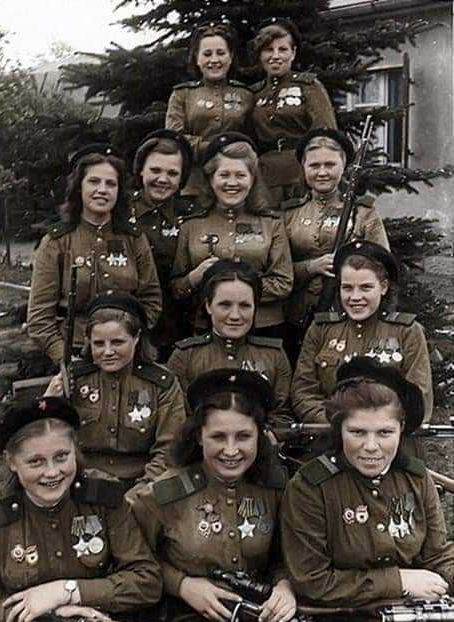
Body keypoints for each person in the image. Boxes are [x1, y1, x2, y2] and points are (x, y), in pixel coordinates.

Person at [127, 369, 310, 622]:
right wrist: (182, 585)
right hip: (185, 615)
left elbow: (286, 556)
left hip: (256, 611)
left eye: (243, 436)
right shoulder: (163, 495)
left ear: (260, 436)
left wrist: (285, 586)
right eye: (218, 437)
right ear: (198, 436)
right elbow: (130, 561)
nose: (231, 450)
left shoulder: (275, 488)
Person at [282, 357, 454, 622]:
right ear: (338, 429)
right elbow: (312, 581)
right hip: (347, 618)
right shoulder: (312, 487)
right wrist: (399, 581)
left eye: (385, 433)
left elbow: (438, 554)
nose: (372, 447)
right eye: (357, 433)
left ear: (402, 430)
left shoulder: (416, 477)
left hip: (414, 612)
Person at [0, 396, 162, 622]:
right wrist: (53, 612)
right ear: (11, 461)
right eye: (35, 462)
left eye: (62, 457)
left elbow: (147, 579)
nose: (52, 472)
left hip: (98, 621)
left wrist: (68, 593)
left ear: (76, 451)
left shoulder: (104, 497)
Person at [27, 145, 162, 364]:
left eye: (111, 184)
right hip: (75, 353)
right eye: (94, 181)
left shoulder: (134, 239)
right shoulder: (56, 242)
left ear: (119, 191)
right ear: (79, 187)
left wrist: (129, 342)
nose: (103, 189)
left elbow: (151, 300)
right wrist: (65, 358)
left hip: (129, 354)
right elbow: (39, 318)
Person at [44, 292, 186, 483]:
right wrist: (50, 401)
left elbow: (169, 449)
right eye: (99, 344)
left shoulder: (161, 384)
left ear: (136, 338)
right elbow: (51, 440)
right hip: (81, 480)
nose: (108, 352)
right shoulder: (74, 380)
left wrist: (143, 489)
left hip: (143, 485)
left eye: (118, 342)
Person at [291, 241, 433, 425]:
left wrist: (372, 426)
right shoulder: (321, 329)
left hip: (388, 440)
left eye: (366, 287)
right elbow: (303, 391)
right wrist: (337, 423)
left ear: (383, 287)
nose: (355, 297)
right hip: (330, 434)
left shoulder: (407, 332)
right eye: (347, 288)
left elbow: (418, 397)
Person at [171, 132, 293, 338]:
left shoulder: (271, 224)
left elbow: (284, 282)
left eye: (240, 175)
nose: (232, 183)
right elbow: (176, 288)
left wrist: (241, 288)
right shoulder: (190, 226)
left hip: (264, 329)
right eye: (224, 175)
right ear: (211, 179)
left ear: (252, 180)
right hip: (206, 329)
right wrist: (194, 277)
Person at [283, 128, 390, 359]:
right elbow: (277, 270)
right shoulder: (289, 214)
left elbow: (383, 267)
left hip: (349, 312)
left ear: (343, 166)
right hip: (298, 316)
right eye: (314, 166)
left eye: (330, 165)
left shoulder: (363, 212)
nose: (322, 172)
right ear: (303, 167)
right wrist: (310, 267)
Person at [168, 259, 293, 435]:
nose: (235, 315)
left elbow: (281, 417)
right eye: (225, 305)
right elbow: (178, 421)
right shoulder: (185, 356)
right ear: (208, 306)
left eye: (245, 306)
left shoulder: (274, 356)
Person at [251, 18, 337, 206]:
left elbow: (325, 132)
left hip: (300, 173)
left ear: (293, 53)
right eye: (268, 50)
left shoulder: (308, 86)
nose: (275, 56)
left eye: (283, 49)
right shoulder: (254, 93)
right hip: (265, 177)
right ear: (260, 55)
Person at [166, 21, 254, 198]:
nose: (214, 60)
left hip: (235, 180)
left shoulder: (245, 95)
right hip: (195, 181)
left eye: (221, 53)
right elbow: (175, 138)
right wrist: (214, 147)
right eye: (207, 54)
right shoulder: (182, 94)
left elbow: (253, 138)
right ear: (197, 59)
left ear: (230, 57)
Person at [131, 129, 195, 359]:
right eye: (155, 170)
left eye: (172, 173)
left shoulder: (192, 216)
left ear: (181, 178)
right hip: (134, 320)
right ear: (140, 170)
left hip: (180, 319)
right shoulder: (120, 212)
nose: (162, 179)